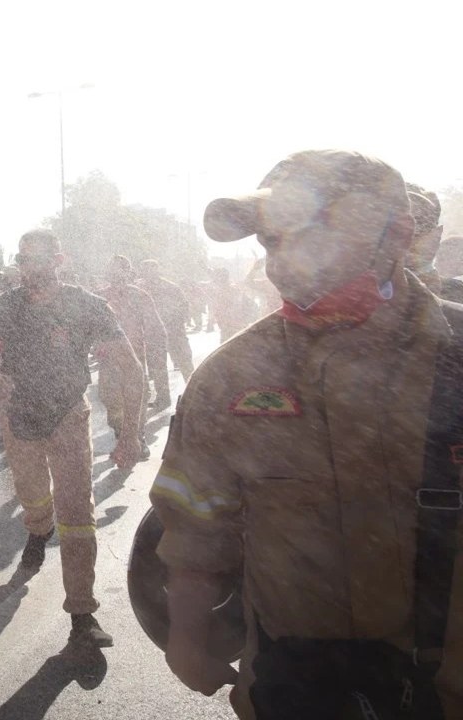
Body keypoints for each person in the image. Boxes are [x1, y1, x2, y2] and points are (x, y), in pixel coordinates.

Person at [152, 149, 463, 719]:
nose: (282, 263)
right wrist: (188, 639)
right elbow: (196, 527)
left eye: (310, 235)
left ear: (393, 235)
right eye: (271, 242)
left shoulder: (458, 354)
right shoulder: (230, 378)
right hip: (293, 693)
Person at [0, 229, 143, 649]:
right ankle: (37, 530)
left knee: (77, 509)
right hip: (18, 415)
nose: (32, 267)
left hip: (67, 416)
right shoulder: (1, 307)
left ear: (59, 261)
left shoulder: (85, 305)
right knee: (32, 496)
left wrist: (130, 434)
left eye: (41, 258)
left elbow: (130, 367)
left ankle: (82, 612)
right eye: (25, 259)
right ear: (18, 263)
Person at [96, 255, 165, 458]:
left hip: (135, 357)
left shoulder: (140, 296)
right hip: (107, 358)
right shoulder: (99, 298)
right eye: (112, 270)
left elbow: (155, 328)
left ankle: (137, 436)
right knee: (109, 397)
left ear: (129, 272)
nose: (116, 274)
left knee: (136, 397)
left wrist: (156, 356)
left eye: (121, 270)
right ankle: (121, 433)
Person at [138, 259, 195, 388]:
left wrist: (177, 323)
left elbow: (184, 306)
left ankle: (192, 390)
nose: (148, 272)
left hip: (173, 330)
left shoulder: (170, 287)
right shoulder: (140, 289)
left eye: (151, 269)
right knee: (158, 366)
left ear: (157, 270)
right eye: (145, 269)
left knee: (184, 362)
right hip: (154, 332)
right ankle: (163, 396)